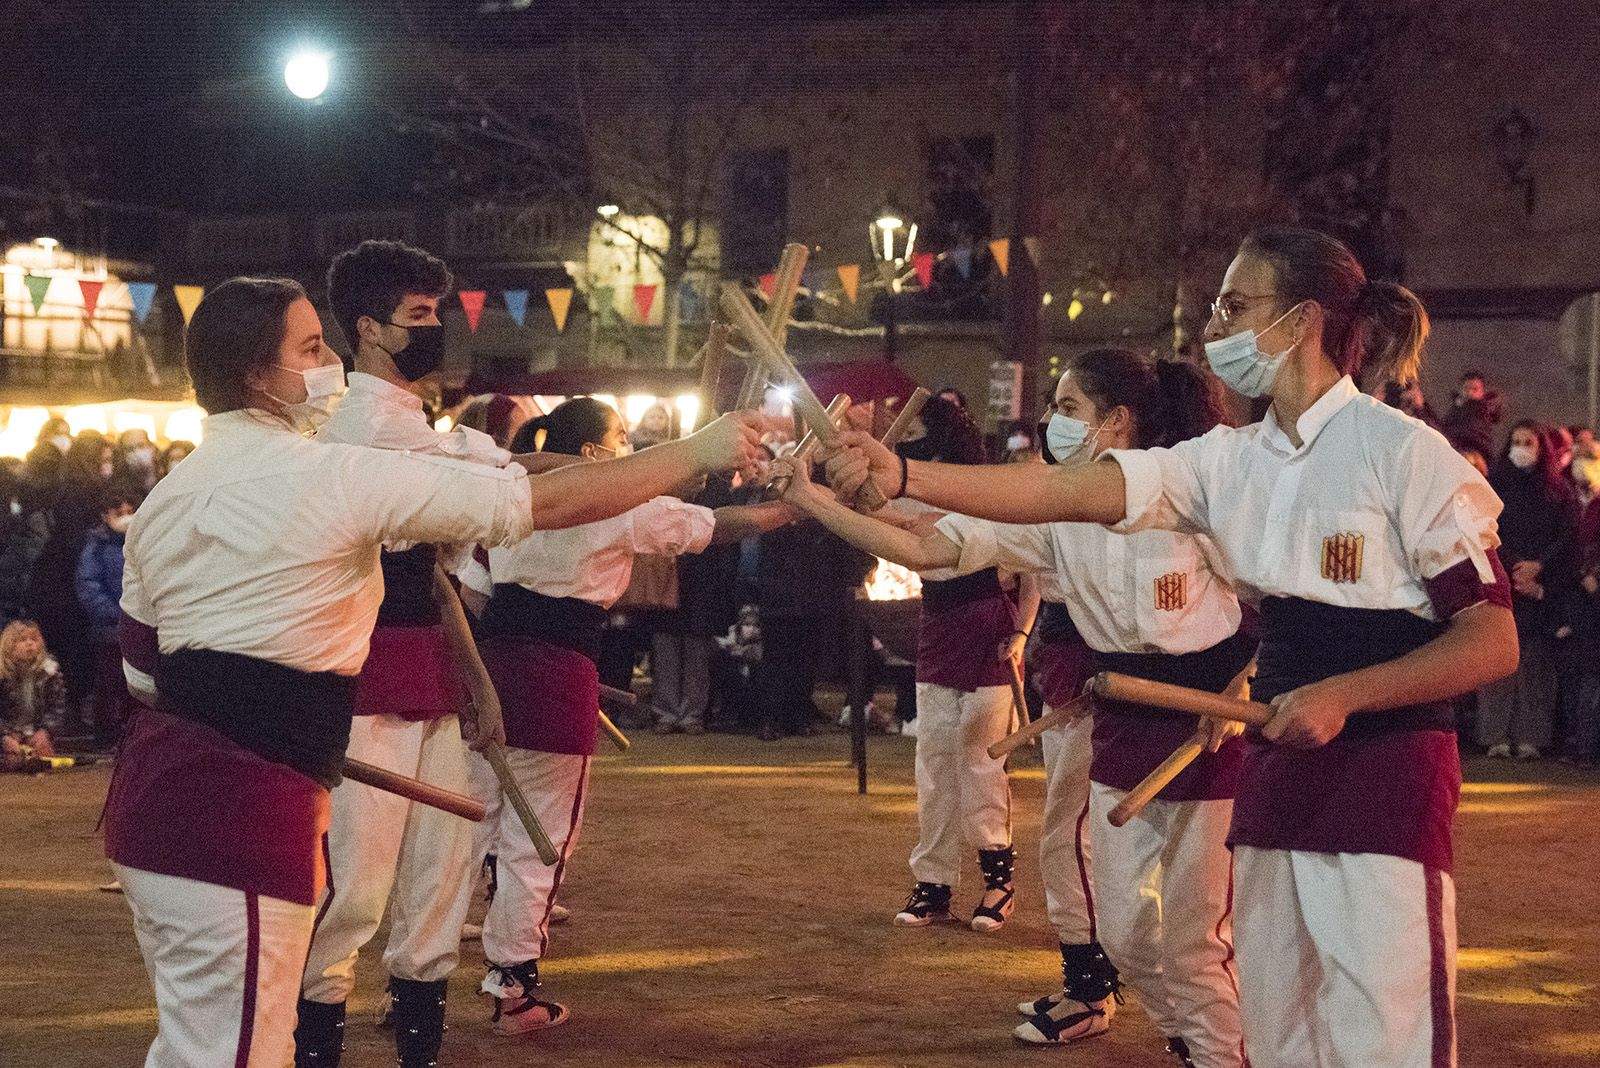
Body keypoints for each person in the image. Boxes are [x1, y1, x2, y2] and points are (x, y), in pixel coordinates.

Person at [824, 227, 1516, 1068]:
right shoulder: (1226, 462)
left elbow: (1491, 639)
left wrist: (1345, 695)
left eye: (1235, 306)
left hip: (1386, 775)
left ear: (1300, 321)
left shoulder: (1405, 454)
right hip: (1276, 774)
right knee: (1279, 1017)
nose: (1215, 326)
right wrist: (903, 477)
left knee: (1386, 1029)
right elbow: (1064, 488)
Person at [104, 276, 765, 1067]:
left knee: (205, 1044)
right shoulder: (336, 473)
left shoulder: (170, 497)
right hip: (239, 814)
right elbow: (533, 503)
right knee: (232, 1054)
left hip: (156, 811)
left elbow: (143, 674)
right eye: (311, 350)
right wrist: (695, 452)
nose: (329, 367)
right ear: (255, 374)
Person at [781, 350, 1251, 1064]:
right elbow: (931, 548)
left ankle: (1219, 1053)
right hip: (1122, 724)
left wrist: (1244, 687)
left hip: (1206, 727)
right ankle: (1187, 1035)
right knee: (1126, 932)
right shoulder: (1053, 513)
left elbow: (1275, 602)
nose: (1050, 423)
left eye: (1069, 409)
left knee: (1194, 935)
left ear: (1117, 423)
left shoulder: (1191, 493)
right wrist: (813, 501)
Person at [295, 239, 556, 1067]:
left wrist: (475, 681)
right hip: (359, 682)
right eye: (419, 316)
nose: (437, 327)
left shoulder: (417, 431)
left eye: (438, 312)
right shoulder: (351, 431)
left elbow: (438, 580)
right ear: (369, 329)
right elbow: (509, 486)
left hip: (430, 678)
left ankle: (418, 1057)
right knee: (353, 894)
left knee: (437, 889)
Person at [463, 397, 795, 1034]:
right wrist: (797, 510)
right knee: (541, 840)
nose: (627, 452)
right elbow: (716, 527)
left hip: (492, 669)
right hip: (556, 674)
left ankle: (414, 980)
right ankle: (513, 987)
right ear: (591, 453)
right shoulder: (612, 505)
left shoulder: (502, 494)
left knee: (474, 827)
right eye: (619, 440)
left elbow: (474, 597)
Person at [1476, 421, 1578, 760]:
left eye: (1528, 442)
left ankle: (1532, 736)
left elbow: (1566, 537)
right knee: (1497, 663)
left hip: (1541, 588)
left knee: (1535, 664)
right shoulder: (1496, 486)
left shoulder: (1558, 491)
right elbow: (1487, 530)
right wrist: (1515, 566)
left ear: (1541, 448)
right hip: (1504, 579)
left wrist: (1540, 569)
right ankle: (1494, 735)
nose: (1521, 448)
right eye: (1516, 441)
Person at [75, 481, 142, 748]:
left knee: (137, 684)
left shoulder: (143, 542)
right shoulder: (98, 546)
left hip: (138, 626)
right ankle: (106, 734)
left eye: (131, 510)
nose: (126, 517)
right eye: (118, 511)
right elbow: (88, 584)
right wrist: (114, 614)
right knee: (110, 682)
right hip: (111, 629)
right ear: (106, 515)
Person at [0, 619, 65, 770]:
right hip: (7, 733)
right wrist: (5, 736)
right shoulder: (2, 676)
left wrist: (45, 731)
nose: (30, 644)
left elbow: (57, 709)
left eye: (34, 639)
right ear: (8, 645)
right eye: (22, 640)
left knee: (42, 761)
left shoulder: (51, 673)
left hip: (35, 732)